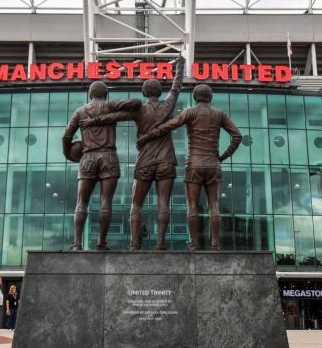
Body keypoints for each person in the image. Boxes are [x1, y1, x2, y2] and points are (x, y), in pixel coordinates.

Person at [79, 56, 185, 250]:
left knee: (136, 204)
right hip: (166, 160)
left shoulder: (139, 110)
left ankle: (134, 243)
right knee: (163, 203)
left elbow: (114, 116)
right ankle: (161, 243)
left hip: (144, 161)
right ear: (159, 92)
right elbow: (176, 86)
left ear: (143, 93)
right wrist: (180, 66)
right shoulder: (168, 105)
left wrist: (93, 121)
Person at [136, 84, 242, 250]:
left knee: (192, 205)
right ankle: (215, 244)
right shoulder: (220, 114)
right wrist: (224, 156)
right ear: (210, 97)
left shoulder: (190, 112)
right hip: (213, 164)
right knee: (214, 205)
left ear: (194, 97)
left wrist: (148, 136)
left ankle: (194, 244)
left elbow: (169, 125)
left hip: (194, 164)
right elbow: (237, 136)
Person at [62, 82, 141, 250]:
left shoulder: (80, 111)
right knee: (106, 201)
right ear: (105, 94)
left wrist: (68, 155)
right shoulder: (109, 105)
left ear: (90, 94)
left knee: (81, 202)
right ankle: (101, 242)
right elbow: (136, 103)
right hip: (108, 156)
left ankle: (76, 243)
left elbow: (66, 136)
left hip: (88, 157)